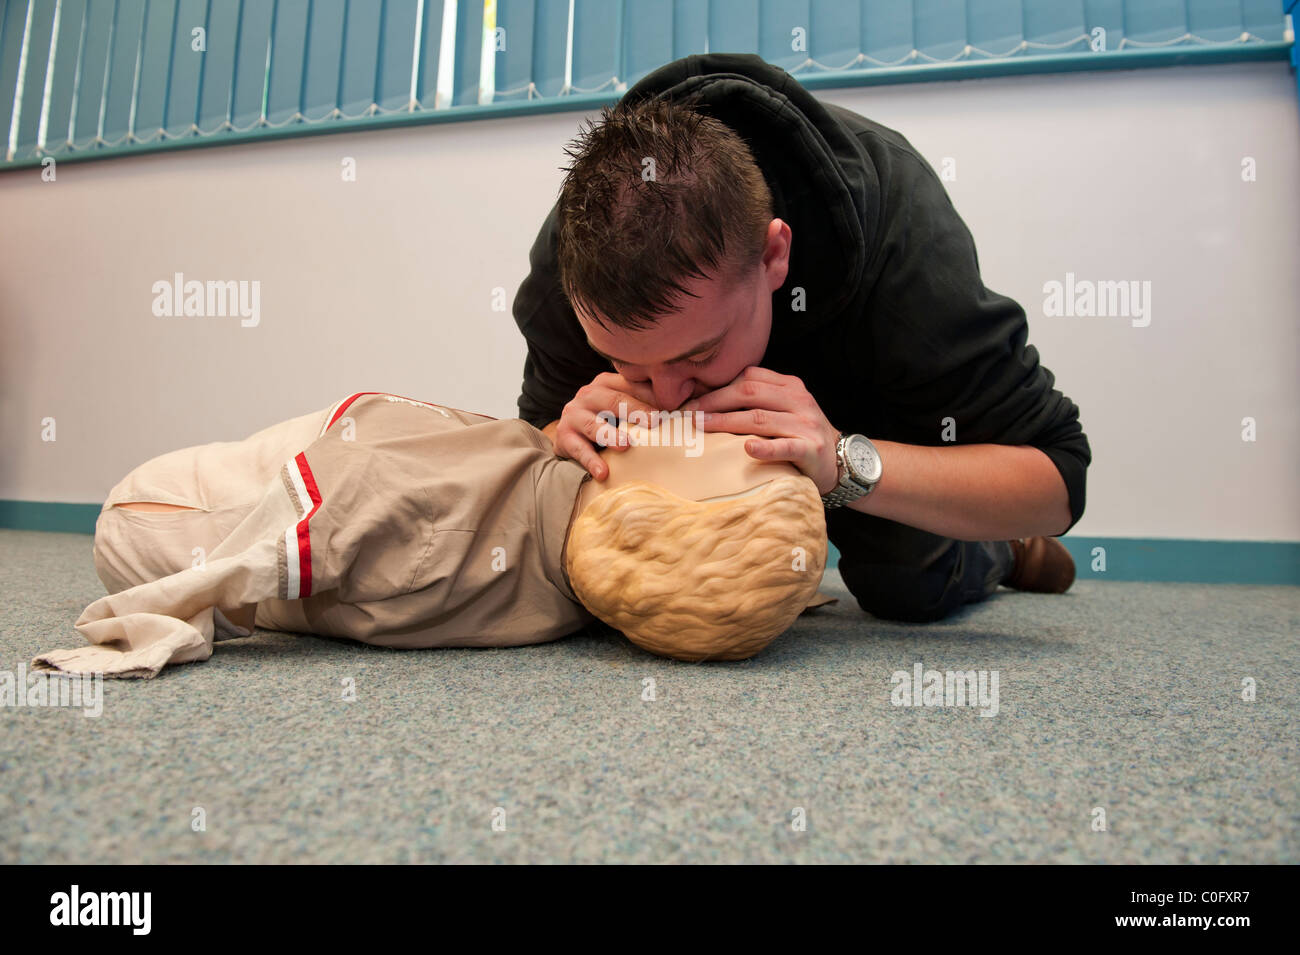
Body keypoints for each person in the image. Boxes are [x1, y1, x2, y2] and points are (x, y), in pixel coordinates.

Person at [513, 53, 1090, 624]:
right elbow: (533, 443)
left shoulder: (901, 234)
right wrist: (560, 435)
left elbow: (1057, 479)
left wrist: (843, 463)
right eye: (632, 365)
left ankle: (1003, 552)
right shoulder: (573, 260)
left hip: (864, 397)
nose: (666, 398)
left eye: (699, 354)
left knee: (908, 580)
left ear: (773, 255)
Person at [31, 392, 828, 679]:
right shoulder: (595, 580)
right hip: (364, 476)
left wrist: (165, 616)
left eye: (717, 449)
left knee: (127, 518)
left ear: (649, 509)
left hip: (256, 486)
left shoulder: (434, 512)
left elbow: (339, 515)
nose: (705, 420)